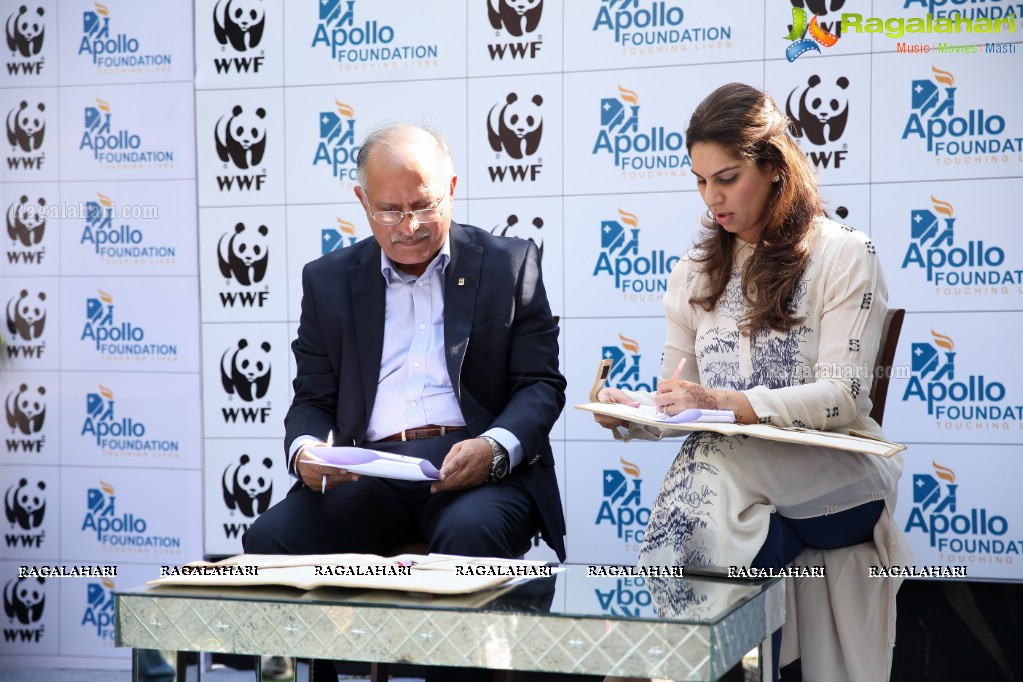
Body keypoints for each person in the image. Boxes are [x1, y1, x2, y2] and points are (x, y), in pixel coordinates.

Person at [594, 83, 910, 682]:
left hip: (841, 476)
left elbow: (844, 397)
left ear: (773, 168)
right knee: (709, 455)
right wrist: (631, 411)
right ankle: (690, 660)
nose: (712, 197)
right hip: (734, 482)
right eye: (700, 180)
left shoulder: (845, 254)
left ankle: (668, 660)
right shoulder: (692, 272)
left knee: (711, 454)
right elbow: (677, 397)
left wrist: (730, 404)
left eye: (728, 177)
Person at [243, 123, 566, 679]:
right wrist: (306, 451)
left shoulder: (509, 264)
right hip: (370, 472)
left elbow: (540, 384)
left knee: (468, 537)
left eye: (423, 205)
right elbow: (312, 399)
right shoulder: (328, 280)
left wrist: (492, 447)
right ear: (362, 202)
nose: (409, 226)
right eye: (389, 210)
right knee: (271, 539)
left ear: (453, 189)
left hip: (478, 470)